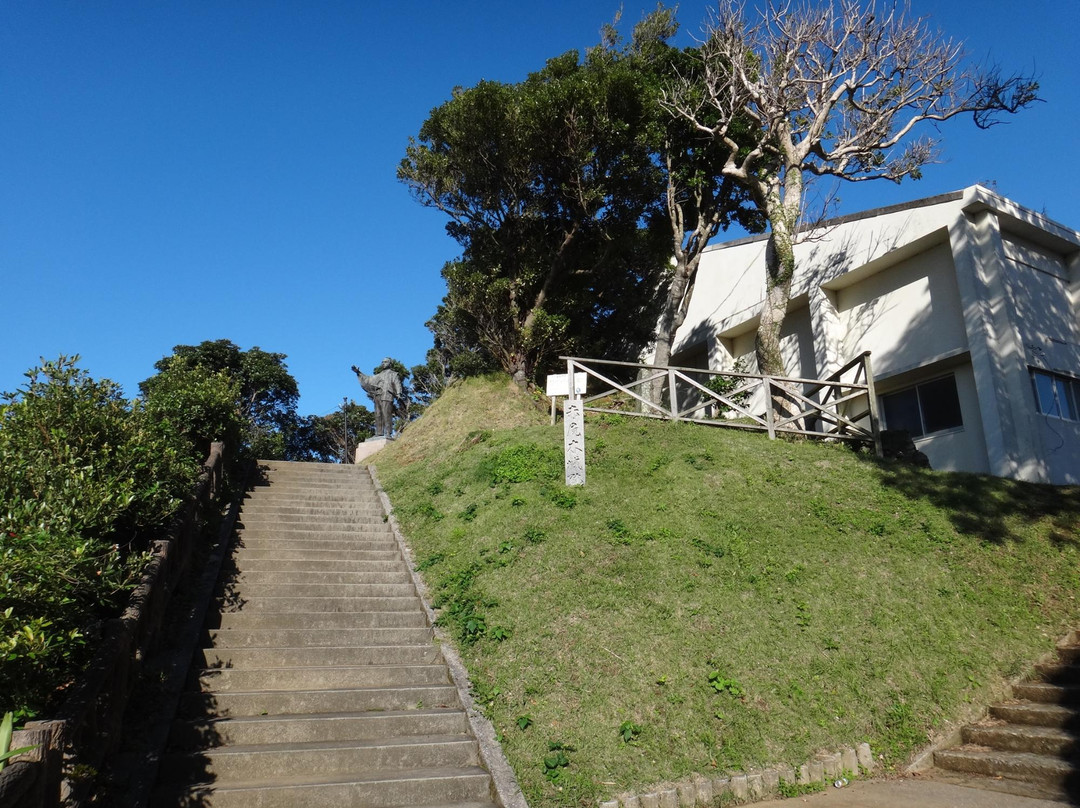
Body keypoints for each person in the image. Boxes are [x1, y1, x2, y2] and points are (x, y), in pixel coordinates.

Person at [351, 359, 403, 438]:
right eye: (382, 362)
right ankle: (379, 433)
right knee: (378, 414)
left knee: (386, 414)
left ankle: (388, 433)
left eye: (385, 362)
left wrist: (399, 393)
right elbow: (368, 380)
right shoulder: (378, 375)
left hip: (387, 395)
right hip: (378, 395)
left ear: (390, 364)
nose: (383, 363)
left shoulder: (393, 374)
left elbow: (397, 383)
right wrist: (358, 372)